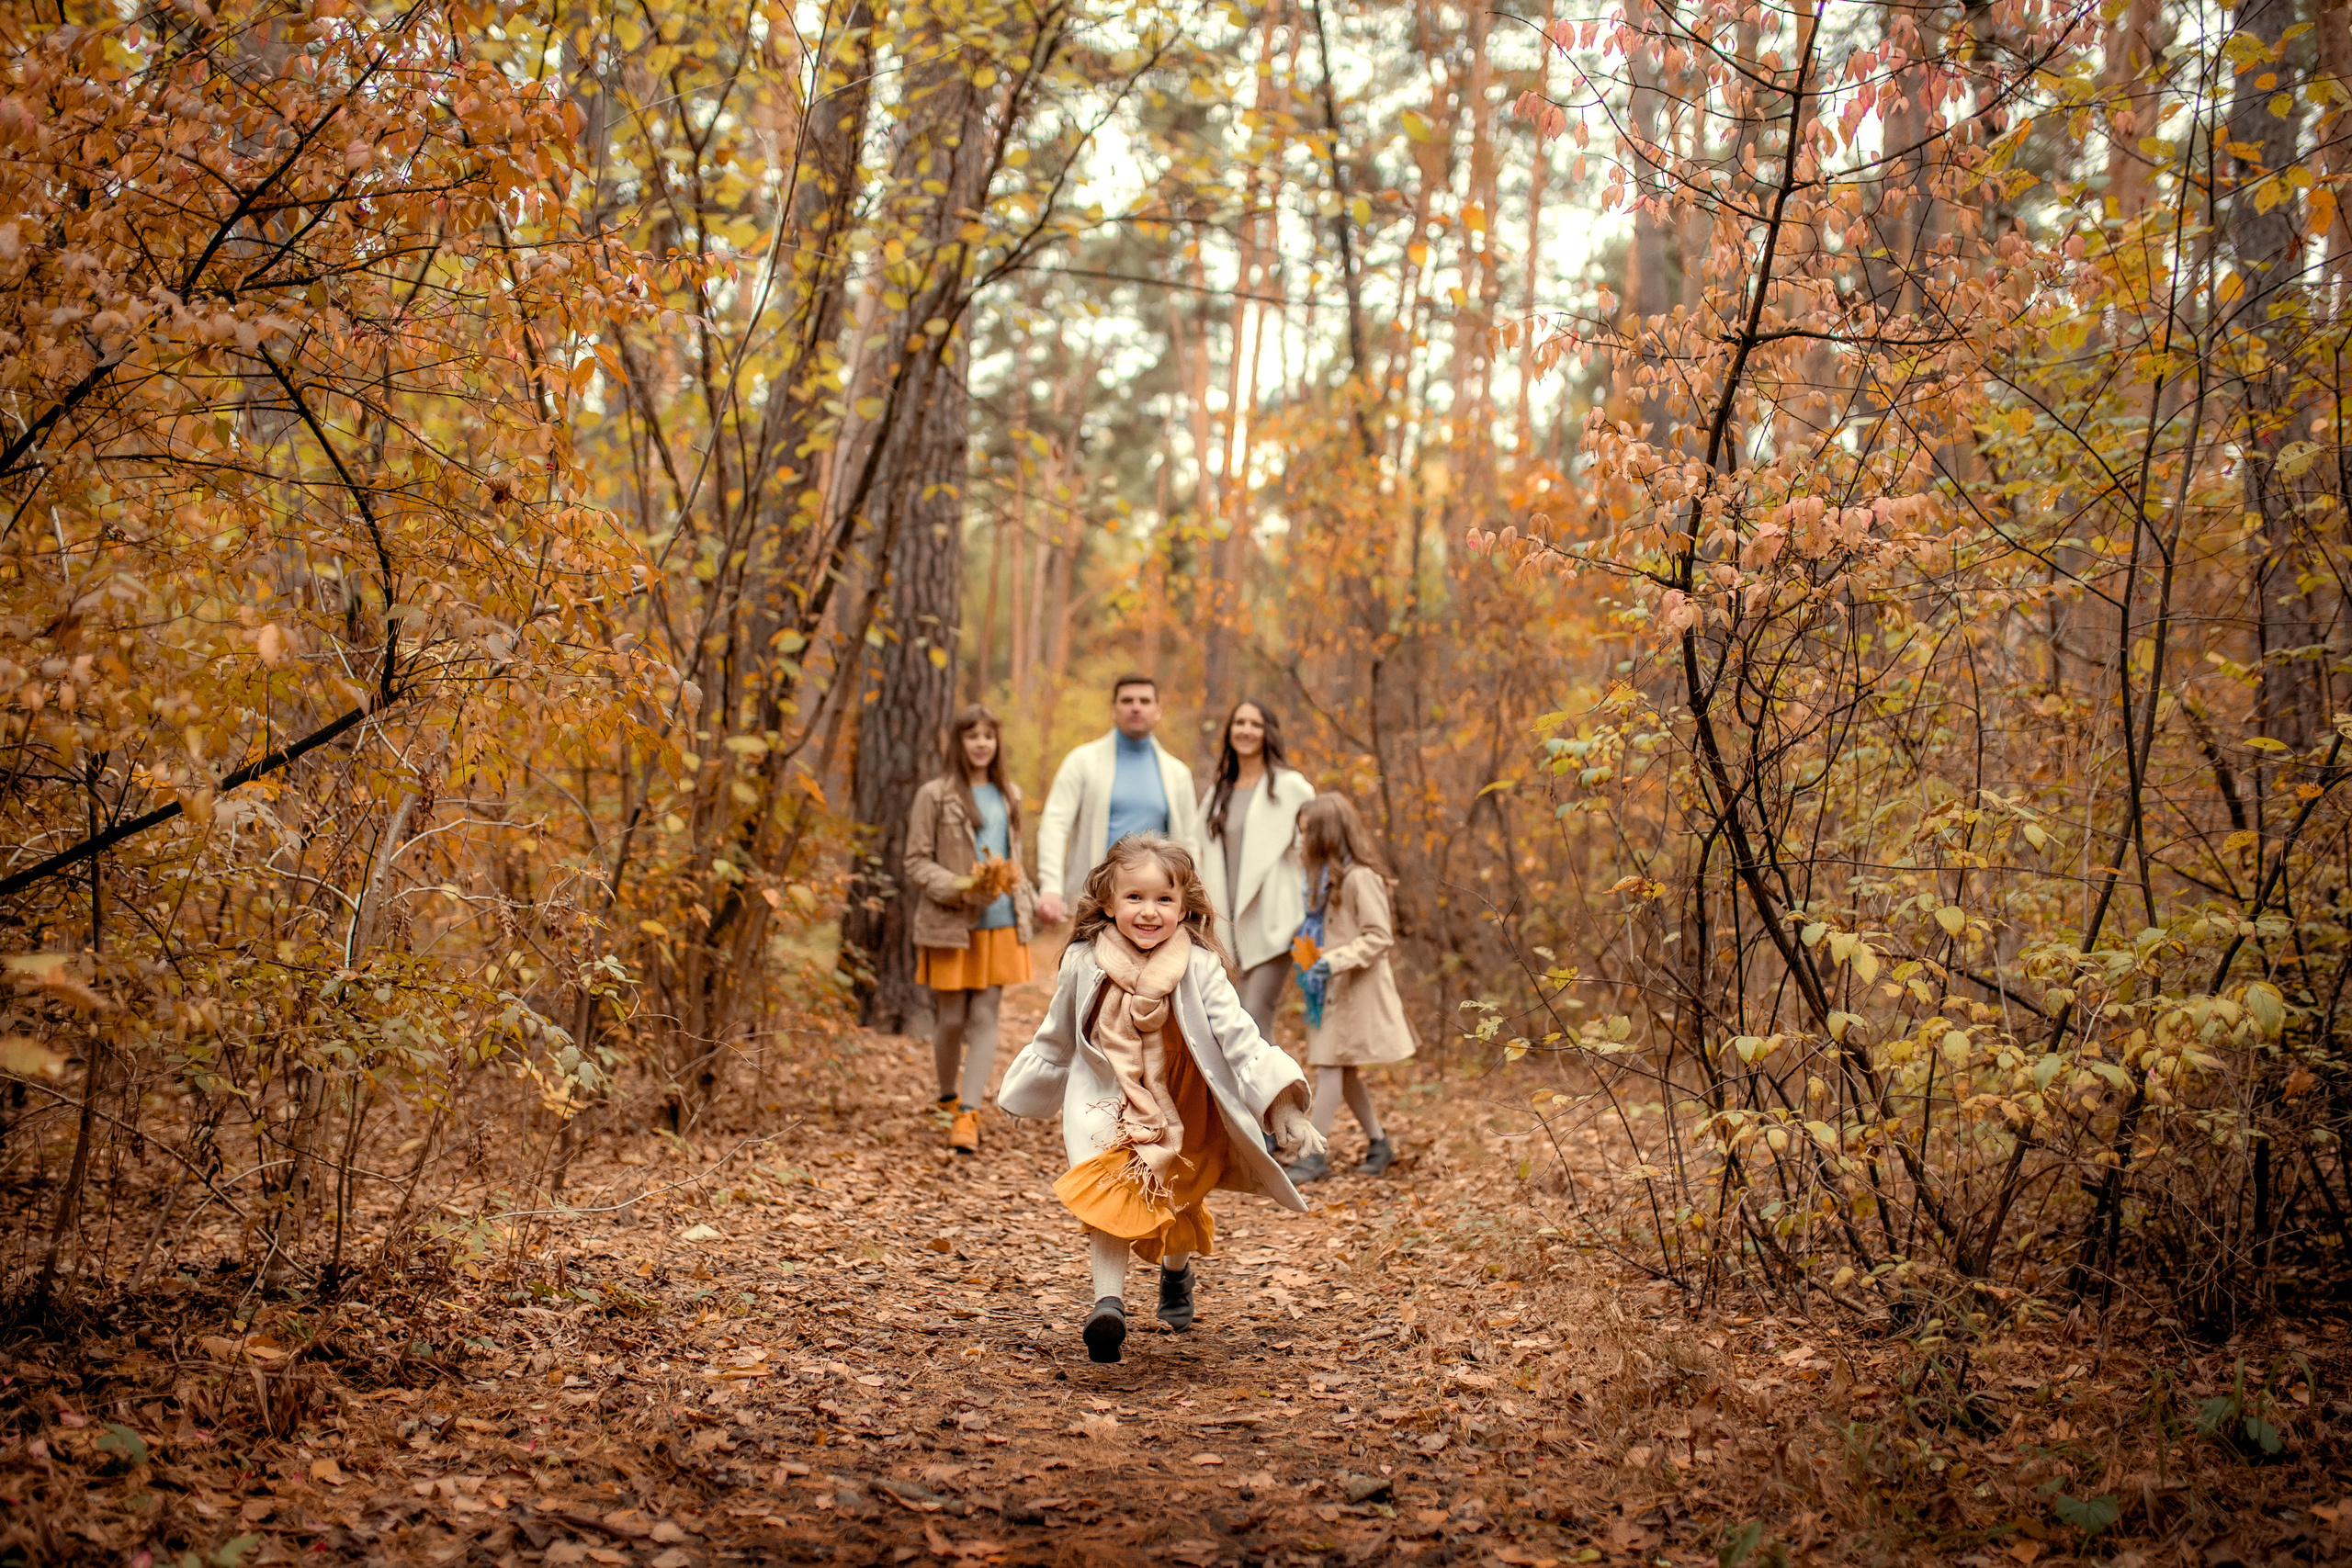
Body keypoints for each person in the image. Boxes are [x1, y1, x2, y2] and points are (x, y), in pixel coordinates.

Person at [998, 833, 1326, 1364]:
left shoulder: (1198, 965)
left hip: (1185, 1099)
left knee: (1177, 1197)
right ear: (1108, 902)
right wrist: (1025, 1091)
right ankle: (1108, 1305)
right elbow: (1057, 1032)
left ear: (1183, 905)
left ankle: (1176, 1274)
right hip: (1113, 1099)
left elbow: (1239, 1037)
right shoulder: (1084, 960)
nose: (1149, 912)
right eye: (1134, 898)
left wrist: (1282, 1103)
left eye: (1163, 900)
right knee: (1112, 1191)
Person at [903, 705, 1035, 1156]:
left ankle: (970, 1113)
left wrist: (1031, 899)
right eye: (971, 735)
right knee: (953, 1018)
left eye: (988, 736)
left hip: (999, 924)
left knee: (985, 1017)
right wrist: (960, 885)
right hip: (950, 922)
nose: (981, 743)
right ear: (958, 743)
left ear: (997, 744)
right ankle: (946, 1097)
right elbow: (916, 860)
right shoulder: (934, 795)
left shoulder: (1010, 795)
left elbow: (1013, 859)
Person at [1286, 795, 1415, 1183]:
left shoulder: (1361, 877)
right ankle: (1379, 1142)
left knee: (1330, 1066)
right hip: (1330, 990)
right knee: (1344, 1071)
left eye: (1308, 832)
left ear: (1328, 833)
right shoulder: (1322, 880)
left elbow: (1379, 937)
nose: (1301, 840)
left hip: (1355, 991)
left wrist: (1333, 960)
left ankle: (1314, 1154)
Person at [1035, 673, 1200, 926]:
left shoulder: (1177, 774)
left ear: (1158, 711)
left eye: (1145, 701)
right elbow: (1055, 825)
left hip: (1155, 911)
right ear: (1113, 710)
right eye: (1127, 700)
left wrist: (1192, 898)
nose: (1136, 707)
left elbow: (1189, 841)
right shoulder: (1082, 762)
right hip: (1095, 903)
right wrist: (1051, 887)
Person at [1193, 699, 1314, 1042]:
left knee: (1254, 1021)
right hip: (1226, 927)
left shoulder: (1292, 788)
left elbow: (1313, 850)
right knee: (1231, 1026)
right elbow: (1197, 849)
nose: (1246, 730)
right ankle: (1259, 1096)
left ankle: (1277, 1096)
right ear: (1230, 731)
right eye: (1240, 723)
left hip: (1273, 923)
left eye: (1255, 724)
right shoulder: (1220, 792)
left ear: (1268, 733)